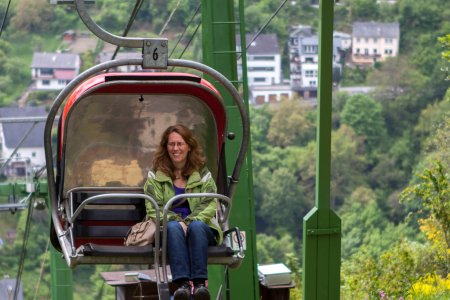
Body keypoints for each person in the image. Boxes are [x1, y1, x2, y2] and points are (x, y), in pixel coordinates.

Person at [144, 124, 222, 300]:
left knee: (196, 227)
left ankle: (200, 284)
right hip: (170, 228)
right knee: (173, 228)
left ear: (188, 146)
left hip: (200, 227)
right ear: (166, 147)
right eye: (171, 144)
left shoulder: (202, 173)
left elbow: (210, 202)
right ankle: (183, 285)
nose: (176, 149)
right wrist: (178, 222)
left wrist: (188, 222)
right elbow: (153, 207)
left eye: (180, 144)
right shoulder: (156, 175)